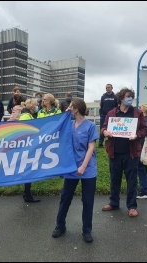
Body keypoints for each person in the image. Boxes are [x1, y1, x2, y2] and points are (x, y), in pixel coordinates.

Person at [52, 98, 99, 243]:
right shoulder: (69, 124)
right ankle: (60, 225)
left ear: (76, 109)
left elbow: (91, 147)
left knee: (88, 201)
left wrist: (83, 166)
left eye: (70, 107)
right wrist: (64, 115)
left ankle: (87, 230)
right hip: (71, 168)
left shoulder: (90, 126)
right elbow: (56, 131)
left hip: (87, 168)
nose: (69, 108)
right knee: (65, 199)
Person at [100, 87, 147, 218]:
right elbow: (103, 127)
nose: (130, 99)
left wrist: (137, 135)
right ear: (121, 98)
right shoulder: (111, 113)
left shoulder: (137, 113)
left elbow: (145, 128)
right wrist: (104, 132)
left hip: (131, 152)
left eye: (131, 97)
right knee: (114, 179)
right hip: (115, 152)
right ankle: (114, 203)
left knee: (132, 180)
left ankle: (132, 206)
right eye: (127, 96)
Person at [18, 99, 41, 203]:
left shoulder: (27, 115)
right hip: (28, 146)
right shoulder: (26, 116)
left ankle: (27, 193)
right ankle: (27, 194)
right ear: (32, 106)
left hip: (27, 145)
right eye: (36, 105)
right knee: (28, 170)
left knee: (28, 170)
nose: (37, 107)